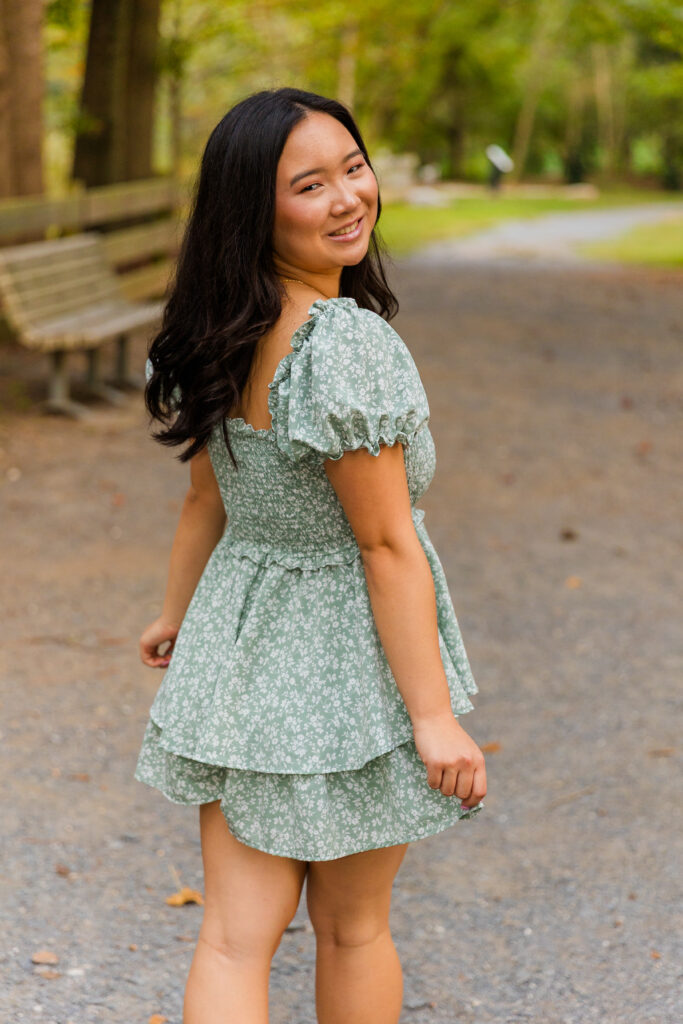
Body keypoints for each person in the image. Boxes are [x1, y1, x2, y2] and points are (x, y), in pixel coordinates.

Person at [135, 86, 487, 1024]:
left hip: (244, 647)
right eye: (310, 185)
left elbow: (206, 498)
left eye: (353, 168)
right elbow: (382, 543)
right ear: (254, 208)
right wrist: (433, 718)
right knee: (354, 929)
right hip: (345, 655)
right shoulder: (342, 348)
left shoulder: (207, 332)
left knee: (230, 939)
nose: (347, 199)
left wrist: (178, 614)